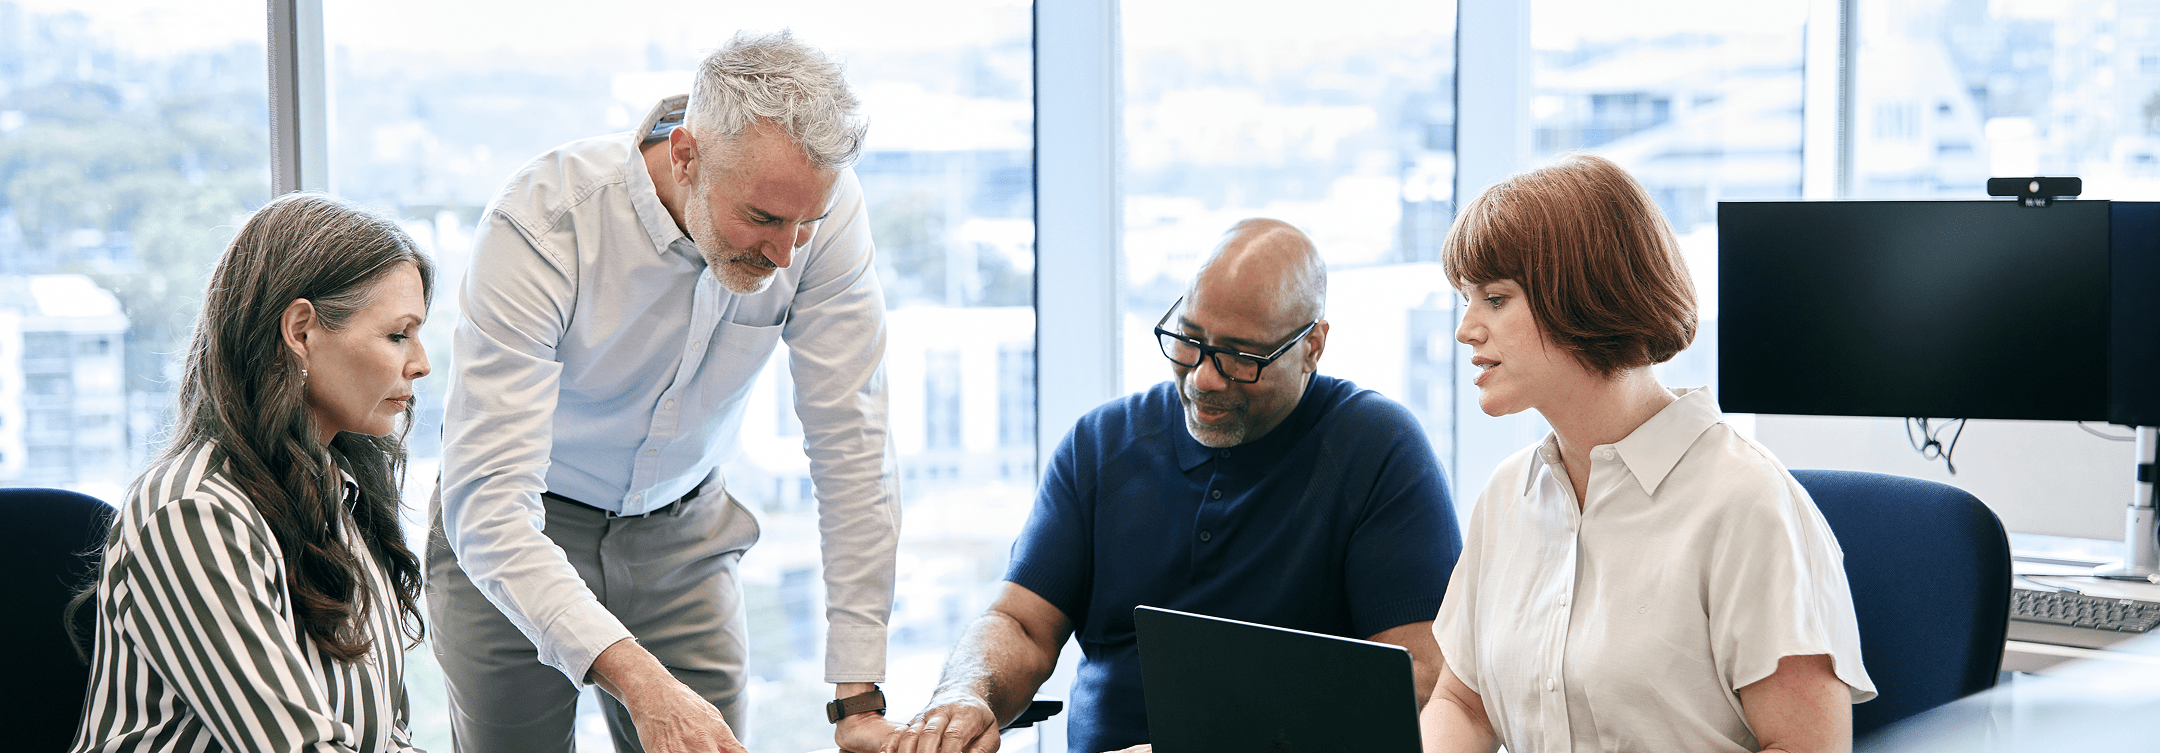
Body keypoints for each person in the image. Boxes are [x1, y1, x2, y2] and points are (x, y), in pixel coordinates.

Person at [430, 29, 900, 753]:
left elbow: (853, 443)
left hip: (686, 531)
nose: (784, 255)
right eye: (764, 220)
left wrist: (858, 696)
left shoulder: (817, 210)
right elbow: (488, 500)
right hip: (521, 528)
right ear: (686, 156)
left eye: (804, 225)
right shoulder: (545, 221)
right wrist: (642, 683)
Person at [883, 218, 1464, 753]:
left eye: (1241, 357)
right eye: (1189, 339)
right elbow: (1020, 624)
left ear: (1311, 345)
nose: (1205, 379)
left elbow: (1419, 679)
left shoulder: (1376, 449)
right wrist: (964, 695)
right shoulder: (1103, 443)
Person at [1420, 153, 1876, 753]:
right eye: (1466, 299)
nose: (1467, 329)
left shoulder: (1746, 504)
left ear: (1583, 296)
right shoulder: (1509, 495)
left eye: (1496, 299)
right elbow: (1463, 704)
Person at [69, 192, 435, 753]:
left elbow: (386, 736)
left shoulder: (344, 497)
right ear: (301, 331)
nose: (421, 362)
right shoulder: (192, 512)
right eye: (397, 334)